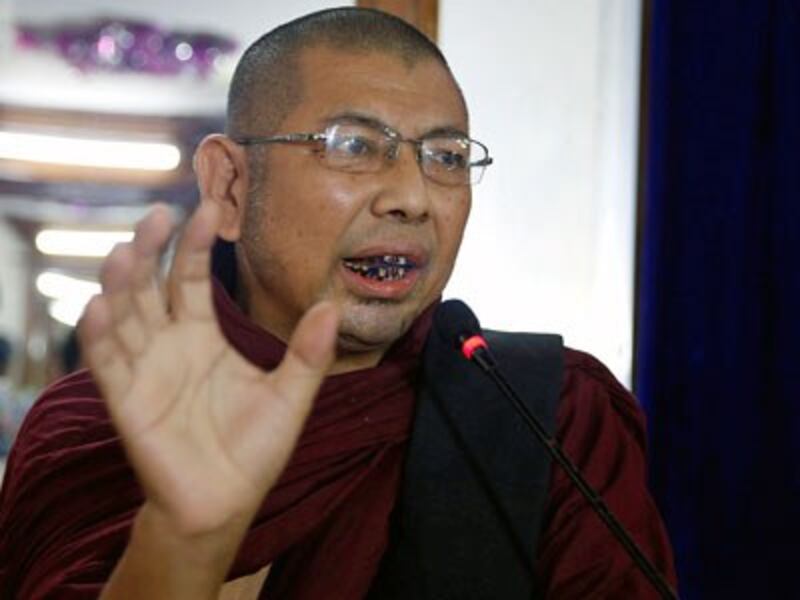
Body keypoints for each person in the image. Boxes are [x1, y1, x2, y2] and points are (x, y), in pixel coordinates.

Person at [0, 8, 677, 599]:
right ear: (231, 185)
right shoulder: (86, 430)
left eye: (445, 156)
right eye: (353, 146)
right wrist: (182, 541)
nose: (412, 197)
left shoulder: (544, 413)